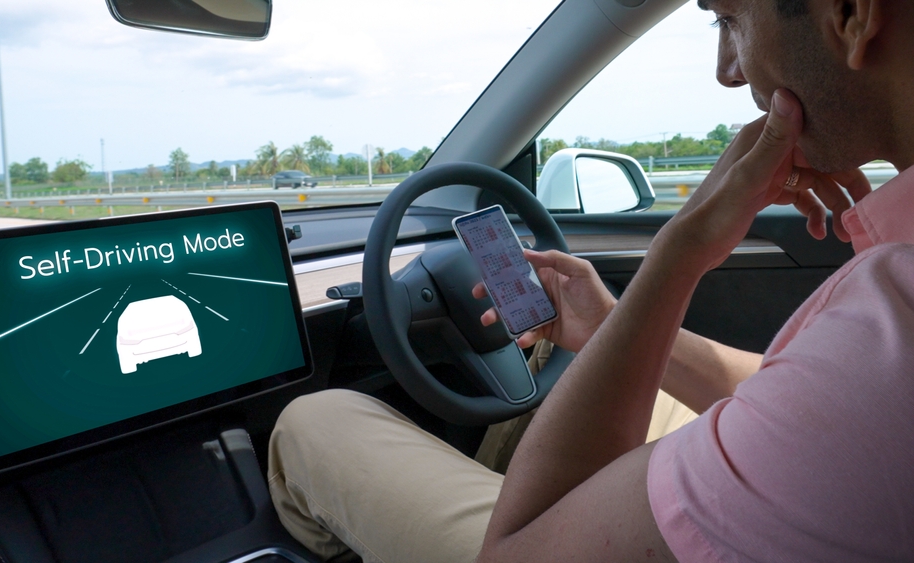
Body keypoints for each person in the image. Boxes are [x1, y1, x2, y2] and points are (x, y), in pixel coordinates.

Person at [267, 0, 914, 560]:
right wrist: (611, 326)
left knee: (315, 418)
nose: (727, 69)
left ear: (851, 13)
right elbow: (791, 392)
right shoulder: (878, 333)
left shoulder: (881, 353)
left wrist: (677, 251)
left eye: (728, 19)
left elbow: (514, 551)